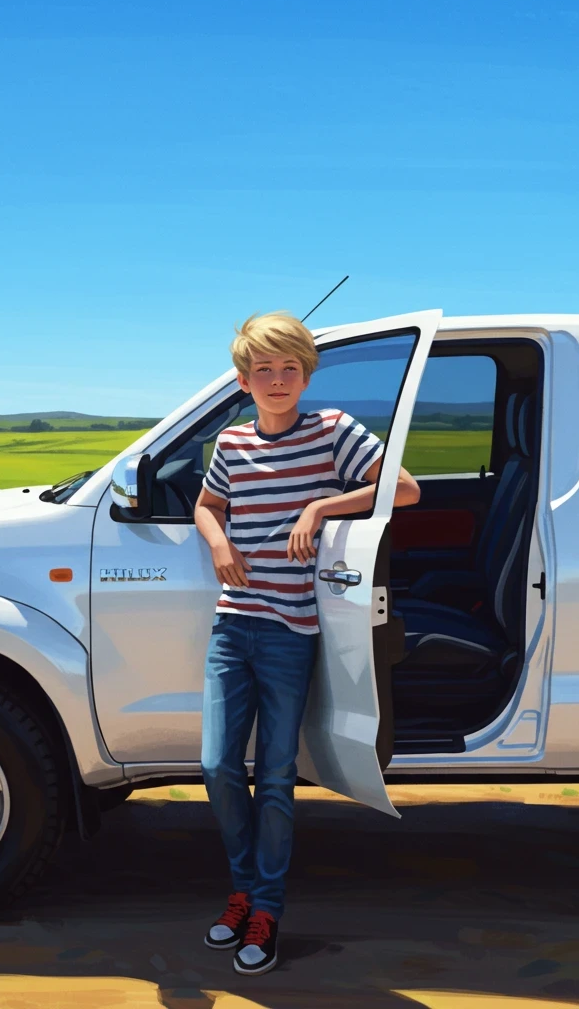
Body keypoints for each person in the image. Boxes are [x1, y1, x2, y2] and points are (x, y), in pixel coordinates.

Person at [193, 311, 421, 975]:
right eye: (263, 369)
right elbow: (208, 504)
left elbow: (404, 489)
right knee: (216, 766)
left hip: (293, 631)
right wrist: (218, 542)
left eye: (289, 367)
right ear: (243, 379)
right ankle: (240, 890)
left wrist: (321, 508)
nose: (277, 379)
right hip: (233, 626)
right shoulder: (232, 444)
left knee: (278, 777)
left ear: (306, 373)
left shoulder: (332, 432)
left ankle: (265, 907)